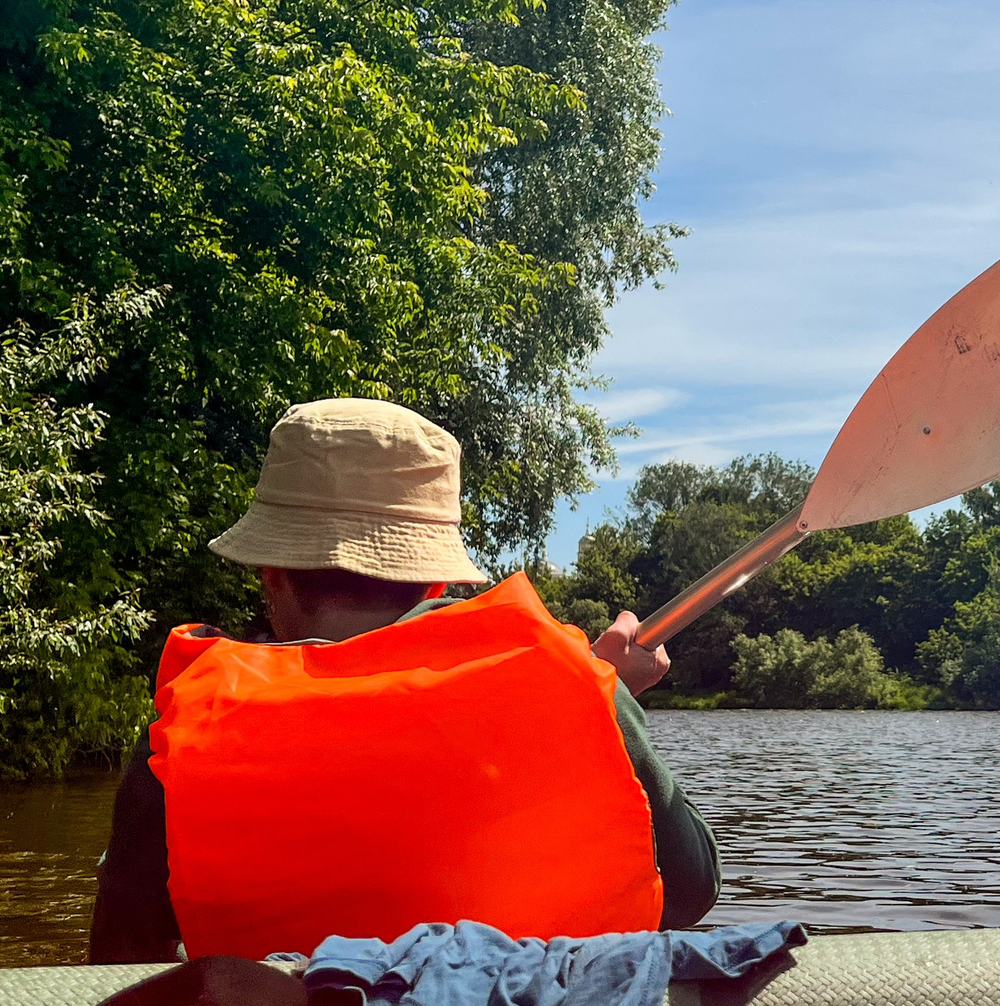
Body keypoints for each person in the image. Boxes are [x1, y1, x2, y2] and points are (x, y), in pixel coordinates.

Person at [90, 398, 717, 963]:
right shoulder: (580, 686)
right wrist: (603, 700)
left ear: (271, 572)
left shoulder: (182, 736)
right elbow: (689, 889)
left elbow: (122, 956)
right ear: (438, 580)